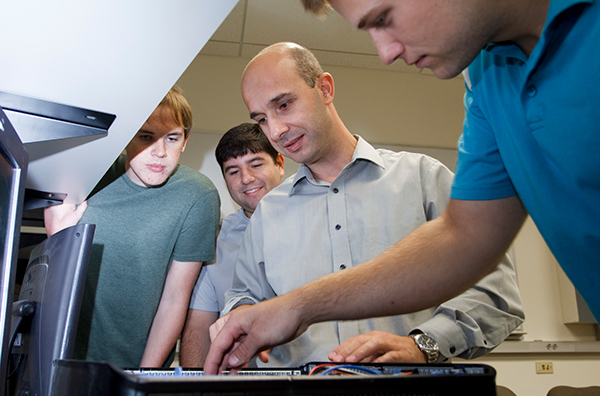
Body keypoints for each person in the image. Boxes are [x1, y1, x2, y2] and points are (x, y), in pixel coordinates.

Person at [204, 0, 600, 374]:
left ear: (324, 89)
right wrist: (270, 313)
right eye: (261, 119)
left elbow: (486, 278)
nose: (385, 52)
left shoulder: (424, 177)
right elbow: (465, 237)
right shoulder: (486, 80)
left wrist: (423, 344)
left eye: (383, 17)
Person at [44, 86, 220, 368]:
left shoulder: (197, 196)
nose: (160, 152)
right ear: (127, 138)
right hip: (64, 356)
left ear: (185, 141)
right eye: (146, 137)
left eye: (172, 138)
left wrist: (143, 375)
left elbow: (176, 298)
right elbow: (52, 276)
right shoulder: (85, 176)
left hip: (139, 359)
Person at [179, 123, 284, 367]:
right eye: (233, 171)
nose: (246, 178)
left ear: (279, 164)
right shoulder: (214, 241)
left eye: (256, 164)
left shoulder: (317, 221)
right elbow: (198, 327)